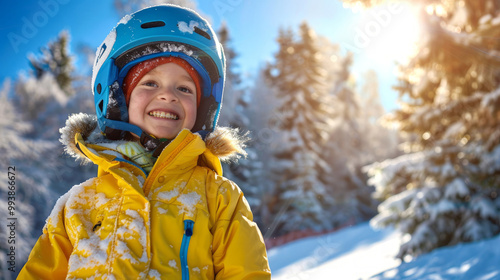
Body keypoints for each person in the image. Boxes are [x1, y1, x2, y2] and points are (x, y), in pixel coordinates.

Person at [18, 4, 271, 279]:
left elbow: (247, 273)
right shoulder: (77, 204)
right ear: (117, 101)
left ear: (204, 108)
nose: (168, 95)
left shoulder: (220, 198)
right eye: (150, 83)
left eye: (184, 88)